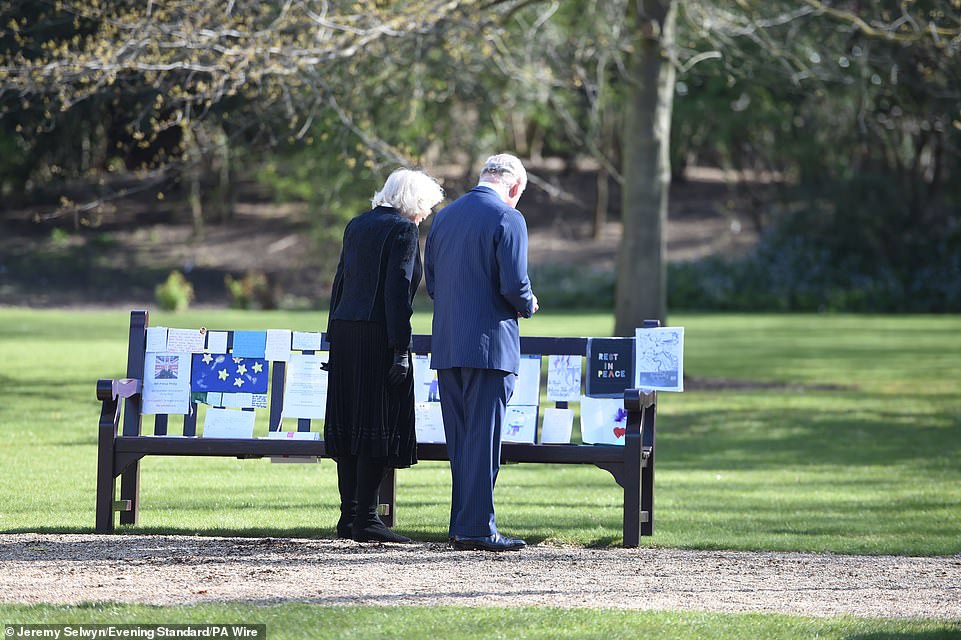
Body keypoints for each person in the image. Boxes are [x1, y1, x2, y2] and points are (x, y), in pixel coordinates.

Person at [424, 153, 539, 552]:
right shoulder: (509, 218)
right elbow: (513, 283)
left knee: (461, 441)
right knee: (484, 441)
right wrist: (528, 304)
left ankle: (464, 525)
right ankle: (476, 529)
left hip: (449, 344)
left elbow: (433, 285)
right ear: (515, 187)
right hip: (491, 347)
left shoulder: (444, 217)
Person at [325, 168, 444, 543]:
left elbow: (340, 283)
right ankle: (368, 518)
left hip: (346, 331)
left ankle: (349, 516)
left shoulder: (356, 225)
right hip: (379, 335)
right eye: (425, 205)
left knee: (350, 424)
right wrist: (400, 349)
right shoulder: (403, 231)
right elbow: (396, 293)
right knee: (378, 422)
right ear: (412, 201)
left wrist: (333, 336)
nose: (425, 214)